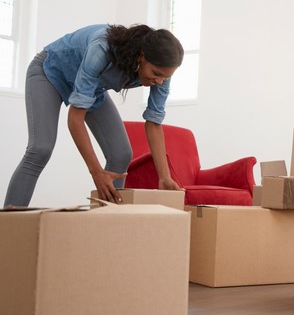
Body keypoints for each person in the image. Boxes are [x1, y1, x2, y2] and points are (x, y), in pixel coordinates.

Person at [4, 24, 184, 206]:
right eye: (156, 74)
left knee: (121, 154)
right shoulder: (102, 49)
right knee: (40, 150)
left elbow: (153, 123)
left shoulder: (161, 75)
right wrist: (96, 171)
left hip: (92, 88)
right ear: (141, 56)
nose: (159, 81)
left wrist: (164, 177)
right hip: (49, 72)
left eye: (166, 77)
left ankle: (106, 223)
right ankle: (9, 226)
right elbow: (75, 118)